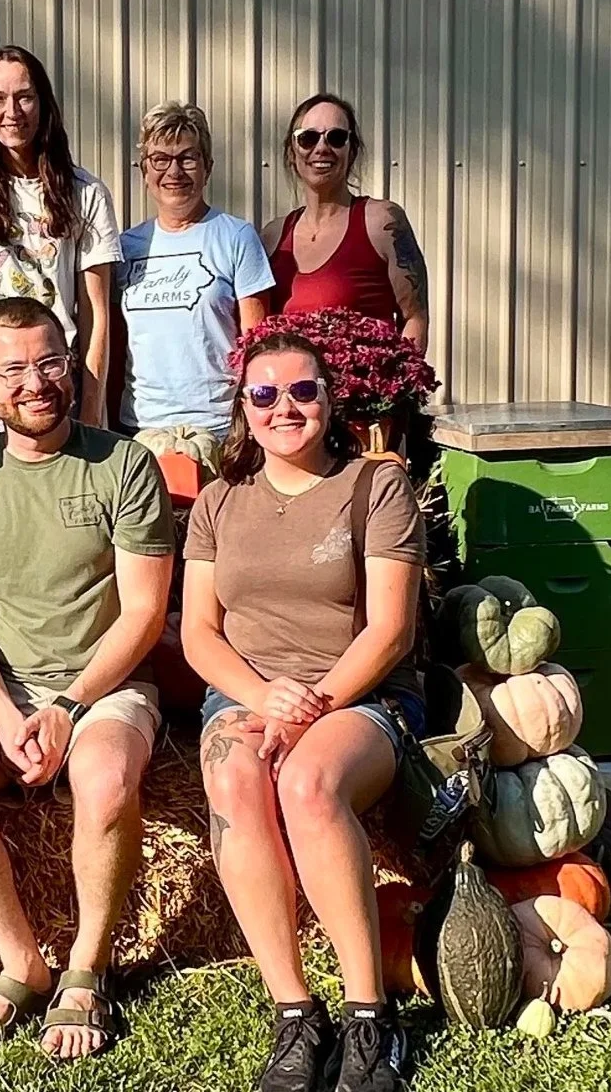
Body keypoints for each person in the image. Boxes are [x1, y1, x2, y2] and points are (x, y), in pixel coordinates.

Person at [0, 297, 174, 1061]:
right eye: (14, 369)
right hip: (1, 685)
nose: (35, 383)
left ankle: (87, 967)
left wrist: (68, 704)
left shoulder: (123, 464)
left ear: (71, 362)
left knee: (100, 779)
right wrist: (0, 711)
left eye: (50, 362)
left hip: (103, 684)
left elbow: (143, 614)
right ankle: (20, 961)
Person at [182, 329, 425, 1092]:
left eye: (301, 390)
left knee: (307, 785)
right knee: (231, 783)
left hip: (360, 694)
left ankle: (368, 1017)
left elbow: (391, 630)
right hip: (248, 693)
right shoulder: (218, 502)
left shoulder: (374, 487)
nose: (283, 407)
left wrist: (309, 706)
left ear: (329, 398)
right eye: (264, 394)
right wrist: (260, 699)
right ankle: (294, 1012)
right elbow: (196, 632)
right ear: (242, 410)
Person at [0, 45, 121, 462]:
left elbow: (95, 313)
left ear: (43, 103)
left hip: (50, 370)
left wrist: (91, 408)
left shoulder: (83, 192)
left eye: (25, 96)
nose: (12, 111)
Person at [114, 102, 276, 436]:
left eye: (188, 158)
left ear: (207, 168)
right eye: (160, 160)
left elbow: (257, 343)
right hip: (142, 429)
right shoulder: (126, 247)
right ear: (144, 171)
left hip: (217, 428)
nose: (174, 172)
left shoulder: (236, 237)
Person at [262, 94, 429, 348]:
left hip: (366, 388)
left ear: (351, 151)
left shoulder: (383, 222)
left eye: (336, 138)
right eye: (307, 138)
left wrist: (401, 382)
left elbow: (415, 318)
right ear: (291, 153)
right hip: (293, 387)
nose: (321, 148)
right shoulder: (272, 237)